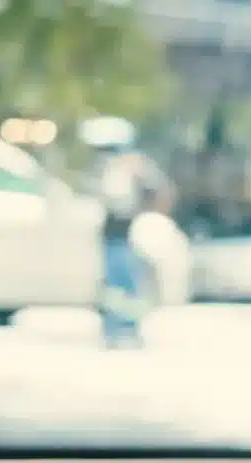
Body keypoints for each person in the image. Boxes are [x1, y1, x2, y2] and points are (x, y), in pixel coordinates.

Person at [78, 117, 173, 350]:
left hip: (125, 233)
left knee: (124, 285)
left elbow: (156, 192)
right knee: (115, 286)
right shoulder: (111, 168)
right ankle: (116, 328)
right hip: (113, 234)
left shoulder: (131, 166)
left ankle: (126, 329)